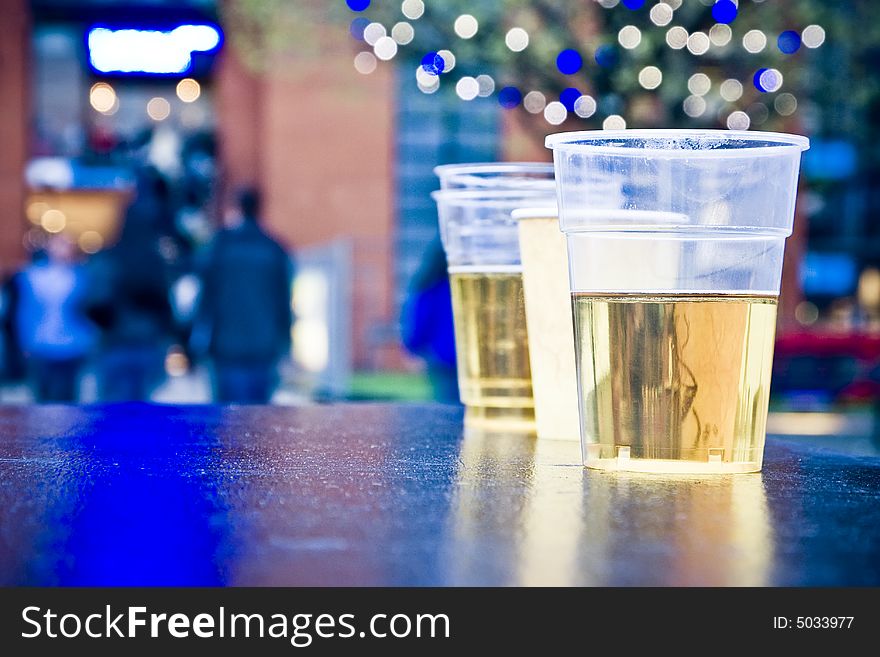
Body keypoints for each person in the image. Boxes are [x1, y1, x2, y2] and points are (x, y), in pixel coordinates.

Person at [195, 187, 293, 403]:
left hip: (226, 345)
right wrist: (286, 342)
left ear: (238, 208)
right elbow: (283, 301)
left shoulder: (221, 246)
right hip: (263, 345)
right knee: (257, 421)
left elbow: (206, 298)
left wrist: (198, 336)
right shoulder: (273, 248)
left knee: (226, 420)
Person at [87, 173, 175, 401]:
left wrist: (109, 322)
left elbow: (93, 302)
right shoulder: (155, 260)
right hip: (148, 342)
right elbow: (165, 305)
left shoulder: (108, 259)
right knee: (143, 412)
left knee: (113, 413)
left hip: (115, 343)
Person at [15, 236, 96, 402]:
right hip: (41, 343)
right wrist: (24, 341)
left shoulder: (82, 277)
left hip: (72, 345)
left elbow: (90, 310)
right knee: (42, 396)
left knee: (67, 397)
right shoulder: (32, 276)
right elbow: (25, 312)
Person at [401, 238, 459, 403]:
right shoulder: (465, 286)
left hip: (442, 359)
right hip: (464, 357)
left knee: (447, 404)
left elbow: (419, 322)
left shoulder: (429, 286)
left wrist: (413, 348)